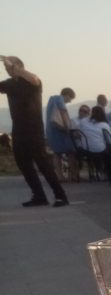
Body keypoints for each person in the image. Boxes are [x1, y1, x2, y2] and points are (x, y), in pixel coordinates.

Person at [0, 55, 69, 207]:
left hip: (34, 130)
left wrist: (14, 66)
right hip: (18, 130)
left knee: (43, 164)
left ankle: (61, 196)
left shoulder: (33, 82)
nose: (7, 69)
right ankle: (39, 196)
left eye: (9, 66)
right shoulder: (9, 84)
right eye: (5, 67)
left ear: (19, 66)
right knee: (23, 164)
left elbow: (34, 79)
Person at [45, 86, 77, 180]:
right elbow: (63, 113)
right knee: (71, 152)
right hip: (59, 130)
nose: (70, 101)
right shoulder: (59, 99)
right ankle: (73, 175)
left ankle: (60, 176)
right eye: (70, 98)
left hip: (51, 130)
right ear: (67, 94)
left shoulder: (51, 100)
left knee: (57, 153)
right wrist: (67, 128)